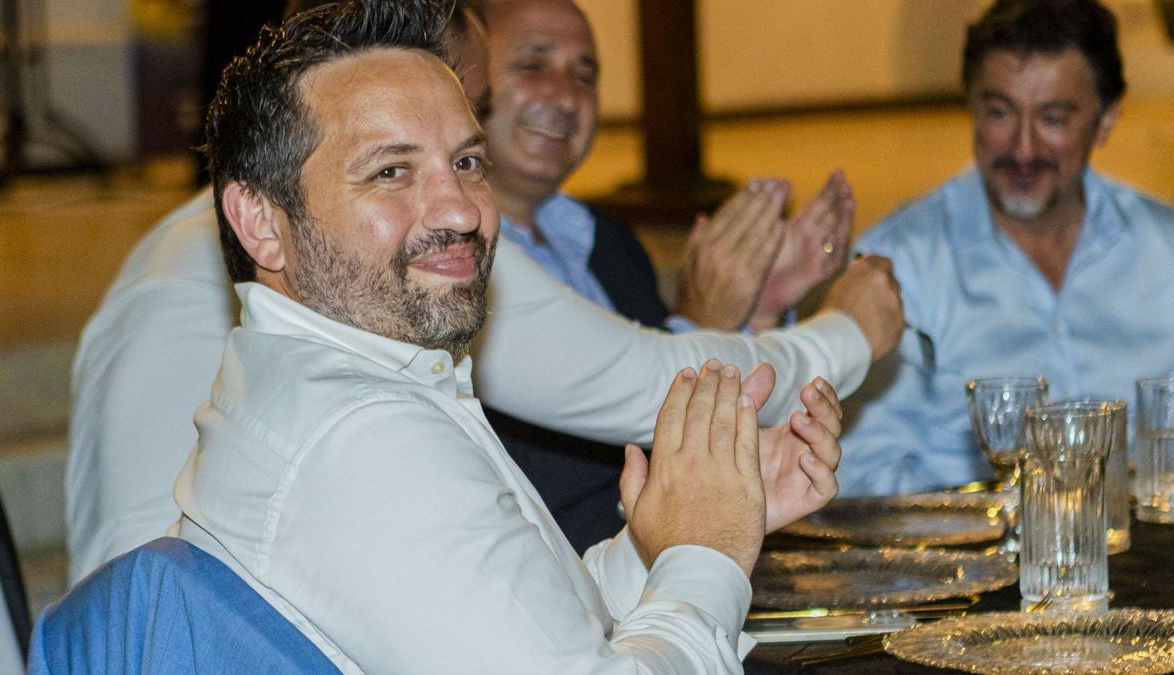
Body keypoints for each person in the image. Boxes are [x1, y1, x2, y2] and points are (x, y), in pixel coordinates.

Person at [65, 0, 902, 581]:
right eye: (470, 95)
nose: (462, 193)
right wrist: (850, 331)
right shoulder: (362, 244)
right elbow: (648, 385)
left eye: (467, 130)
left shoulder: (238, 228)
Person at [473, 0, 901, 550]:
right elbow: (637, 405)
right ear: (465, 81)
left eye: (585, 75)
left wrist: (757, 309)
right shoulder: (458, 260)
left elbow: (668, 414)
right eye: (533, 66)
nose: (564, 96)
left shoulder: (608, 240)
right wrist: (847, 330)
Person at [837, 0, 1174, 496]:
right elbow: (861, 477)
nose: (1022, 149)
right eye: (999, 113)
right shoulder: (898, 262)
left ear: (1105, 122)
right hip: (959, 538)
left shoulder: (1164, 247)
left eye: (1053, 118)